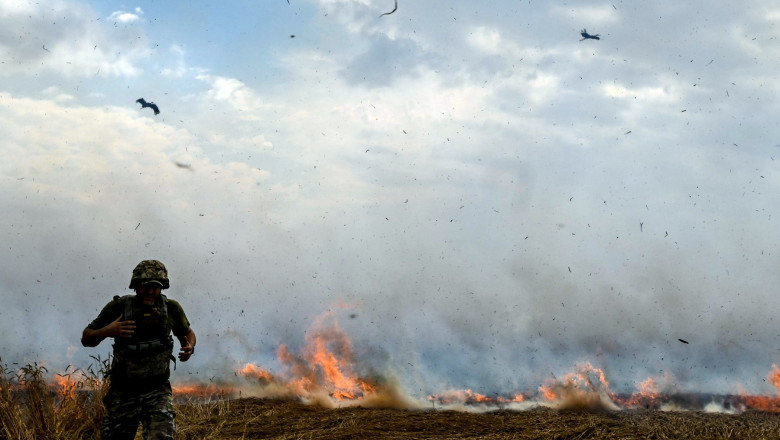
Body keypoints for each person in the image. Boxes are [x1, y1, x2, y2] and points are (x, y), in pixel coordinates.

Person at [81, 259, 196, 440]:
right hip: (123, 391)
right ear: (135, 286)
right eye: (144, 286)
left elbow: (187, 333)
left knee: (162, 436)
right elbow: (86, 338)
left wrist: (189, 347)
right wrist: (108, 330)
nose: (150, 291)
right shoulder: (119, 307)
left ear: (162, 287)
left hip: (157, 391)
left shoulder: (172, 309)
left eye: (155, 287)